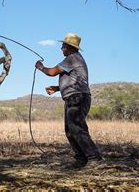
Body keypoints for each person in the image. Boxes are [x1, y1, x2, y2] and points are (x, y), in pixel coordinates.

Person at [35, 33, 103, 168]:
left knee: (77, 128)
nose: (61, 48)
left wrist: (41, 67)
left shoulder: (72, 58)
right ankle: (81, 159)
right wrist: (57, 88)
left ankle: (94, 158)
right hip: (76, 97)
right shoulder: (76, 59)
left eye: (63, 46)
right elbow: (75, 81)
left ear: (69, 47)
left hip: (77, 98)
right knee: (71, 130)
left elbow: (52, 72)